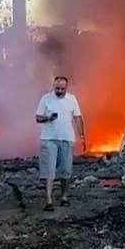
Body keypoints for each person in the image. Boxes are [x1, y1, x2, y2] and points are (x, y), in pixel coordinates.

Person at [34, 76, 86, 211]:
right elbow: (38, 118)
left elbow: (77, 118)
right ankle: (49, 201)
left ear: (66, 88)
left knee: (65, 170)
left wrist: (82, 136)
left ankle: (64, 197)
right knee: (49, 170)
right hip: (49, 138)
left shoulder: (72, 99)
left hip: (67, 138)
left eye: (62, 89)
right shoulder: (46, 99)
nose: (60, 91)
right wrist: (48, 118)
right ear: (53, 86)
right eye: (57, 88)